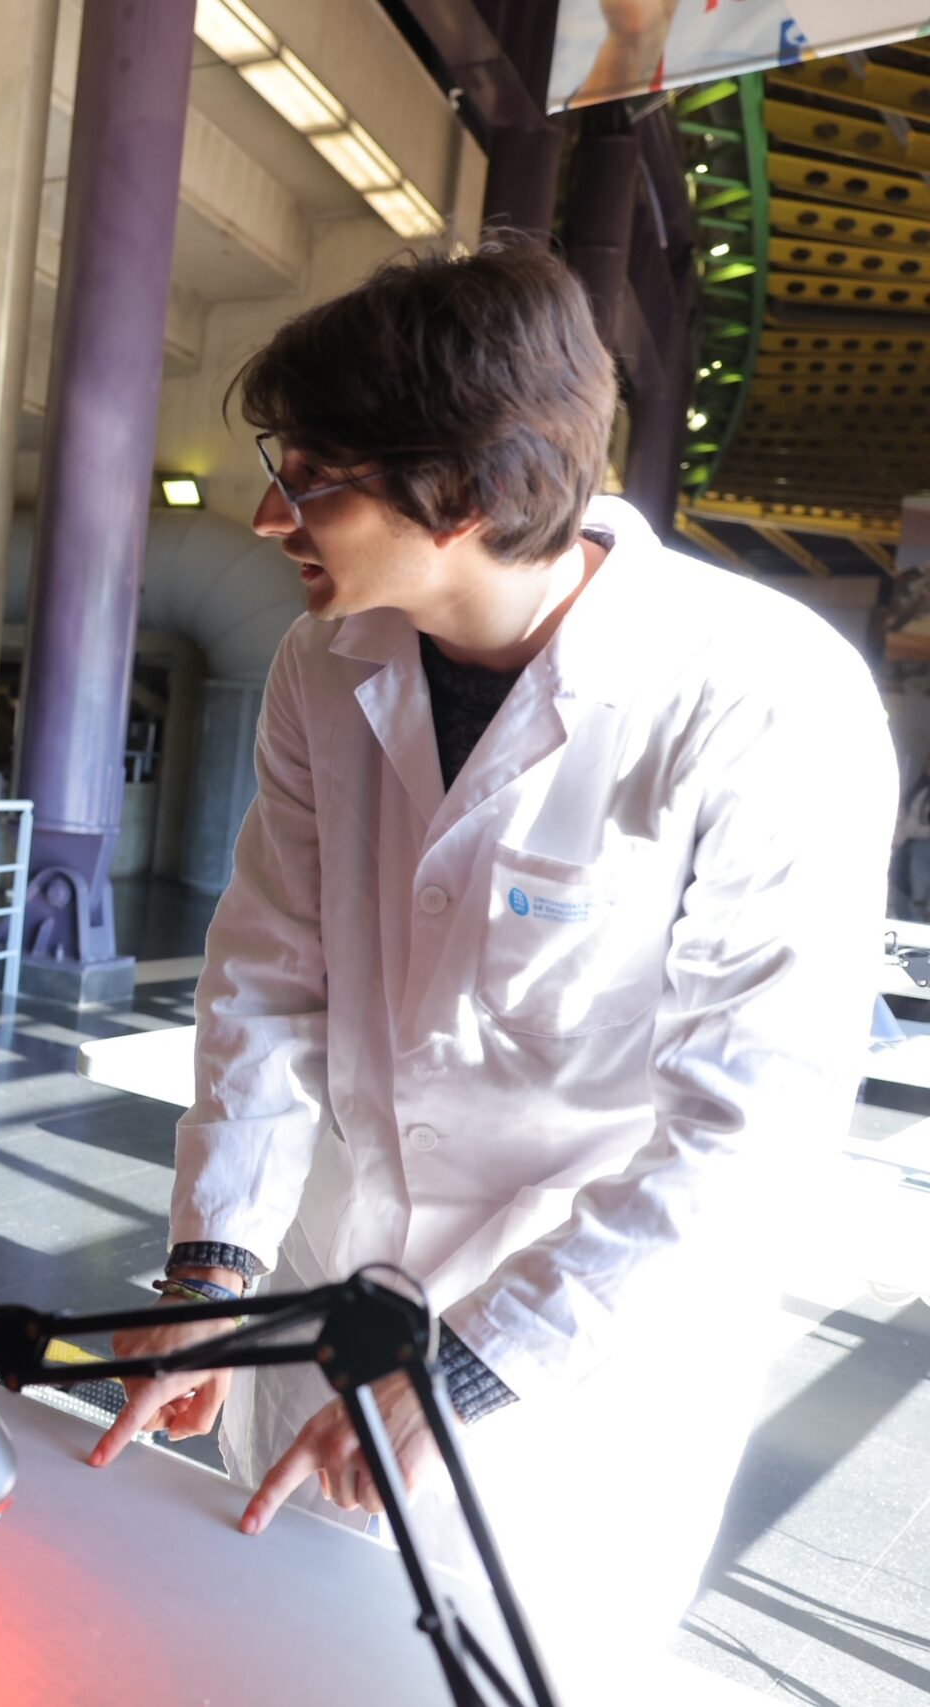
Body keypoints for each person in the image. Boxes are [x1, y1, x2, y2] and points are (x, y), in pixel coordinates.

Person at [86, 242, 894, 1699]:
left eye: (312, 477)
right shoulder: (324, 663)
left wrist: (469, 1364)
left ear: (459, 495)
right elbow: (269, 977)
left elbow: (747, 1132)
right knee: (251, 1657)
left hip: (570, 1370)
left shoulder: (759, 695)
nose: (268, 514)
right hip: (328, 1287)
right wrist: (213, 1266)